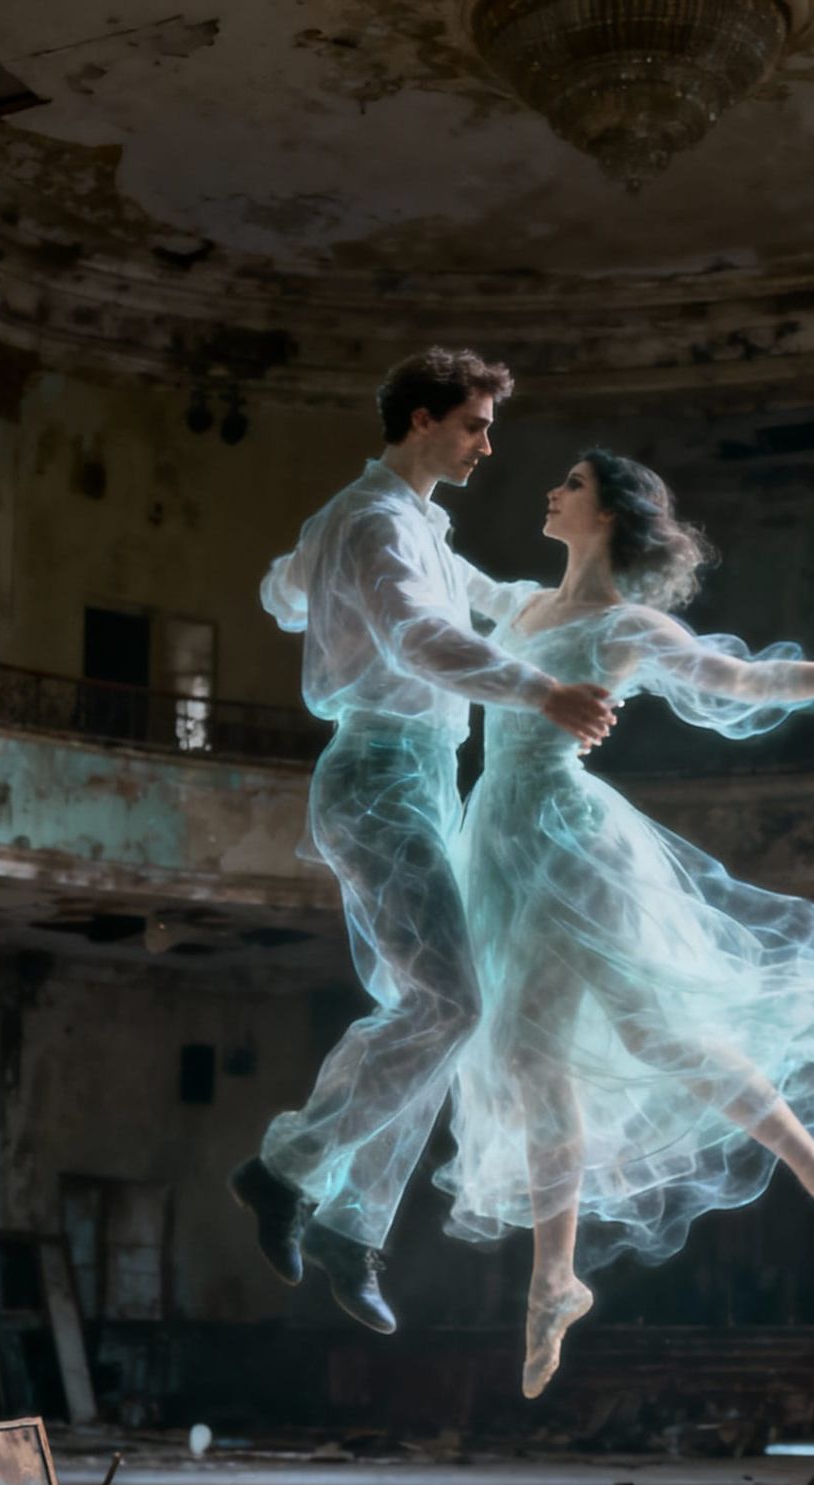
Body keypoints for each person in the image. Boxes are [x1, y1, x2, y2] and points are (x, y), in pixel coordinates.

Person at [435, 450, 814, 1397]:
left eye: (571, 484)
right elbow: (429, 579)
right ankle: (555, 1278)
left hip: (570, 835)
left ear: (608, 514)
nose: (550, 491)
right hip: (503, 847)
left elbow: (741, 682)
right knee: (529, 1057)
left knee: (653, 1026)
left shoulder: (625, 627)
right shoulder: (518, 605)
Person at [229, 351, 617, 1334]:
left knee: (434, 1012)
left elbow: (295, 592)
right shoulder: (372, 523)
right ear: (419, 420)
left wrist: (567, 605)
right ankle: (286, 1174)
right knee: (450, 1002)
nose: (488, 445)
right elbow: (413, 635)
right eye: (474, 425)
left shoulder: (393, 524)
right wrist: (543, 691)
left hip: (417, 776)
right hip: (378, 775)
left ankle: (346, 1228)